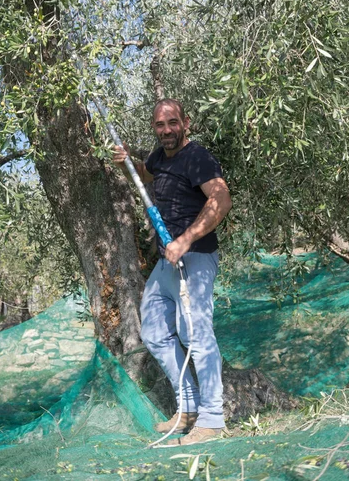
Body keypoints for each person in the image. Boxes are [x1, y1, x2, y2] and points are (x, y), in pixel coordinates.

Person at [113, 98, 232, 446]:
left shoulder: (197, 157)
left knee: (196, 334)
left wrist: (185, 240)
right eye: (160, 125)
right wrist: (126, 164)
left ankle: (212, 419)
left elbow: (221, 200)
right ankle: (189, 408)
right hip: (168, 261)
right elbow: (144, 174)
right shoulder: (159, 157)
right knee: (153, 332)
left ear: (186, 122)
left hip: (194, 258)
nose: (166, 130)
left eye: (172, 123)